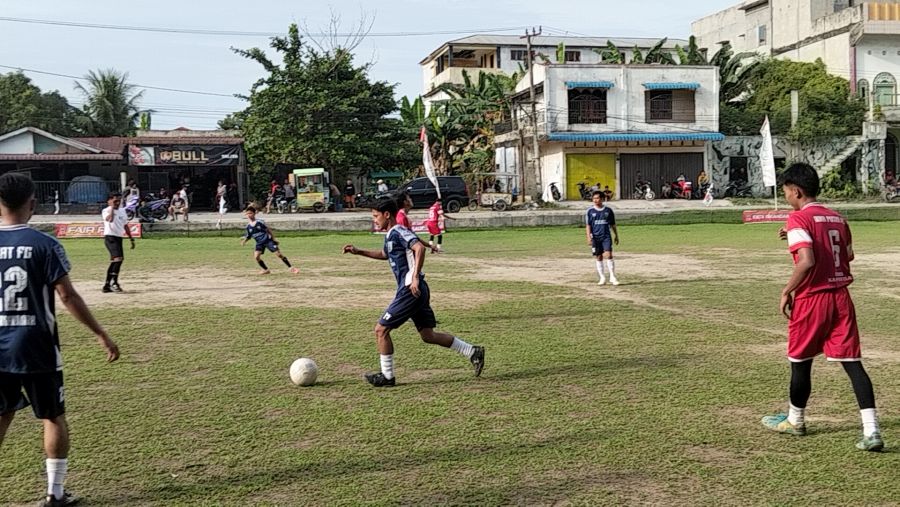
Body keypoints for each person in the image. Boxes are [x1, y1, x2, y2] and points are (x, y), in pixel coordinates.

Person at [0, 173, 120, 507]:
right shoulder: (45, 244)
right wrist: (100, 334)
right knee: (52, 416)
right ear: (33, 204)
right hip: (35, 344)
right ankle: (54, 493)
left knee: (2, 414)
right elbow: (67, 295)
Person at [762, 163, 884, 451]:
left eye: (786, 192)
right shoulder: (837, 218)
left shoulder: (798, 220)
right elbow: (848, 254)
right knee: (853, 364)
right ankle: (872, 431)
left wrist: (787, 289)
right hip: (841, 297)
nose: (787, 197)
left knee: (800, 361)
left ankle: (795, 420)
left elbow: (807, 261)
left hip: (812, 299)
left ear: (796, 191)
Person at [341, 197, 484, 387]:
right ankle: (472, 351)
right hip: (417, 289)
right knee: (428, 335)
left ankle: (387, 376)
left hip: (411, 289)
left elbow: (418, 248)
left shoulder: (399, 230)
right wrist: (359, 251)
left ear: (386, 214)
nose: (374, 220)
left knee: (381, 330)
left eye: (376, 216)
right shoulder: (391, 234)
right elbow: (385, 254)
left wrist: (414, 276)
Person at [240, 205, 299, 275]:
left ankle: (291, 268)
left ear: (254, 213)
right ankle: (266, 270)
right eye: (247, 214)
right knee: (256, 257)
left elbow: (268, 230)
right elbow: (249, 236)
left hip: (268, 241)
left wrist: (274, 238)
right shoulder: (248, 226)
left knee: (279, 254)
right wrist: (244, 241)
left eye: (250, 213)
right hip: (259, 243)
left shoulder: (260, 222)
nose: (249, 215)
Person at [101, 192, 135, 293]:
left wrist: (131, 238)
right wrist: (112, 208)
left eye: (119, 201)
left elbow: (125, 225)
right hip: (110, 237)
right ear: (110, 201)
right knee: (118, 259)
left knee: (116, 260)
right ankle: (114, 282)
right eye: (115, 201)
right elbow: (110, 220)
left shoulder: (122, 211)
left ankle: (107, 285)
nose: (117, 203)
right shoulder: (106, 210)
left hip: (119, 238)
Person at [585, 190, 619, 286]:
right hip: (595, 237)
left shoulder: (608, 211)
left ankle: (612, 276)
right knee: (599, 257)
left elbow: (613, 224)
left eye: (597, 198)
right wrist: (588, 237)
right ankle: (602, 277)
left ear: (602, 199)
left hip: (606, 236)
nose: (595, 200)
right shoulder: (590, 211)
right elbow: (588, 225)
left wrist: (616, 235)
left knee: (609, 255)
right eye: (594, 198)